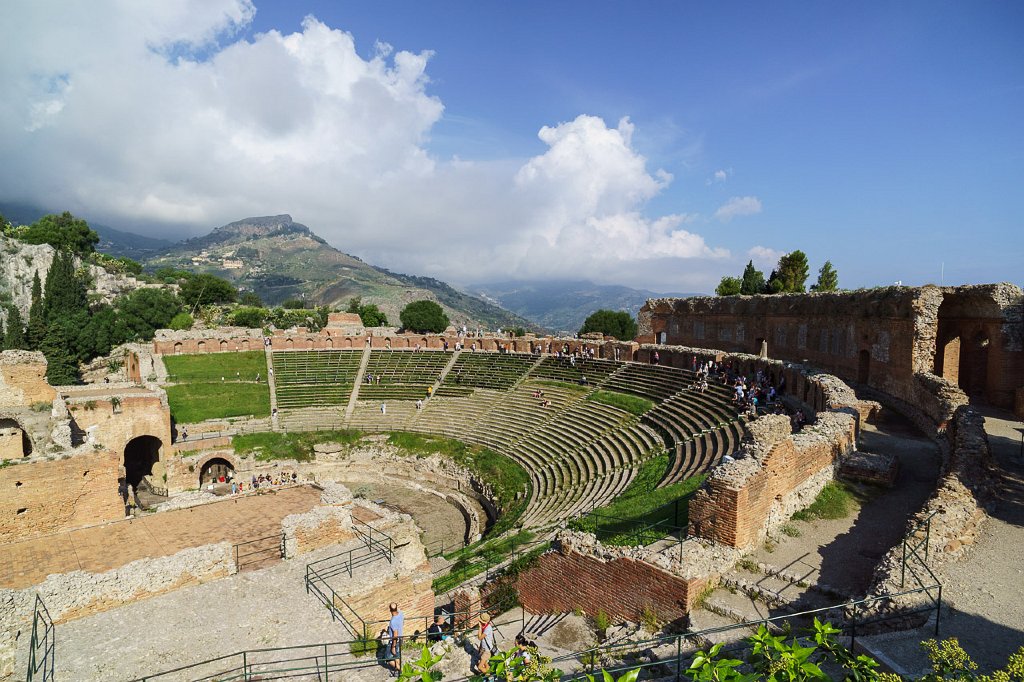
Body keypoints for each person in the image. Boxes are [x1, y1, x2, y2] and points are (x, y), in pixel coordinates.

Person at [386, 602, 404, 676]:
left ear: (390, 610)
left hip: (394, 641)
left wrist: (393, 646)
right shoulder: (401, 614)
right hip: (400, 638)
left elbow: (395, 635)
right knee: (397, 655)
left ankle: (401, 671)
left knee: (388, 658)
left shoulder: (393, 621)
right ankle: (399, 670)